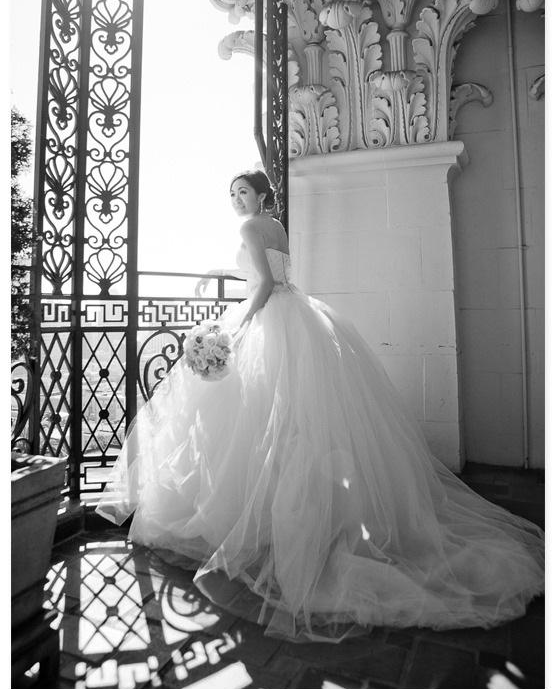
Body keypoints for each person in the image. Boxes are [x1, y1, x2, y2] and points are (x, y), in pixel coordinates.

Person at [97, 169, 544, 643]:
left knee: (259, 417)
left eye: (243, 192)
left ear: (262, 195)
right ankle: (302, 508)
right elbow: (271, 270)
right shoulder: (276, 226)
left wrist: (239, 327)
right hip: (300, 313)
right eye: (231, 194)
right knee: (291, 418)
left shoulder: (249, 227)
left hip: (270, 315)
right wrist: (222, 272)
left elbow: (264, 283)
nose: (236, 200)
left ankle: (264, 517)